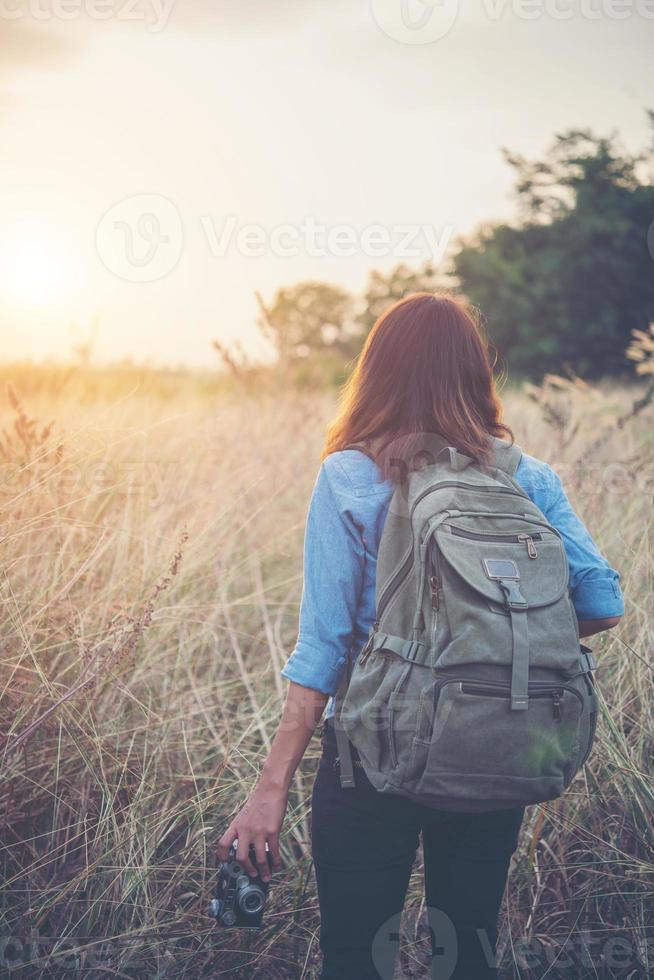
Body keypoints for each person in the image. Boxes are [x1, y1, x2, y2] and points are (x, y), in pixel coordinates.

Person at [216, 293, 624, 980]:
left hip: (370, 756)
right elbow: (603, 601)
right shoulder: (528, 477)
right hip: (495, 743)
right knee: (468, 955)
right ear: (474, 372)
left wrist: (269, 789)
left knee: (354, 958)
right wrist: (489, 642)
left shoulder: (350, 476)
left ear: (379, 371)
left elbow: (324, 646)